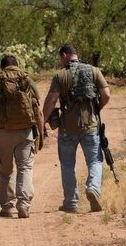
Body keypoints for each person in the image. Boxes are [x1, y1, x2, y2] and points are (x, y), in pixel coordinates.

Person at [41, 43, 111, 213]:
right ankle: (93, 188)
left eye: (60, 58)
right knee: (94, 161)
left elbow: (51, 101)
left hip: (67, 129)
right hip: (90, 127)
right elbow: (106, 94)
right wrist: (96, 110)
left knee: (67, 164)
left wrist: (41, 122)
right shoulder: (94, 71)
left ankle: (71, 202)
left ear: (64, 55)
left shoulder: (61, 75)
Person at [0, 55, 45, 219]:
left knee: (5, 171)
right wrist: (41, 133)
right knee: (25, 168)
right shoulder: (27, 80)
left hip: (3, 132)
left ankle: (7, 207)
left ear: (2, 68)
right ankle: (23, 205)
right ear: (17, 65)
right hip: (25, 132)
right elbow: (39, 111)